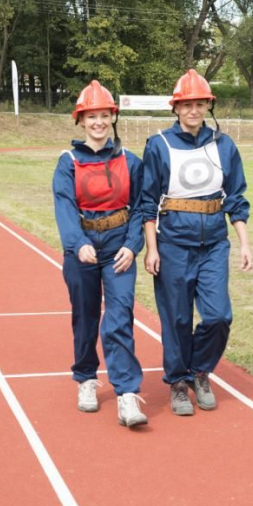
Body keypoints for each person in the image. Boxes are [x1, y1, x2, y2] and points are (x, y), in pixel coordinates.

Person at [141, 69, 252, 416]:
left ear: (207, 106)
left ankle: (200, 372)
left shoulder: (224, 145)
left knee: (218, 316)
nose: (193, 110)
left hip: (214, 245)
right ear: (176, 108)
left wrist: (245, 243)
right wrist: (152, 248)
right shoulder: (159, 145)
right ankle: (177, 381)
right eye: (186, 104)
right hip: (172, 244)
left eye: (199, 104)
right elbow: (147, 202)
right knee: (176, 319)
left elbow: (235, 197)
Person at [52, 80, 147, 427]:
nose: (98, 122)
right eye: (91, 116)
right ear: (81, 120)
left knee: (120, 317)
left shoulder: (130, 161)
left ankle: (126, 393)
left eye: (104, 115)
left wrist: (131, 245)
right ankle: (86, 378)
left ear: (112, 118)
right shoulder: (68, 163)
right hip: (83, 250)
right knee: (86, 316)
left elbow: (141, 207)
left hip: (119, 247)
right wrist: (79, 244)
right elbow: (64, 207)